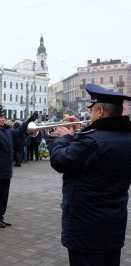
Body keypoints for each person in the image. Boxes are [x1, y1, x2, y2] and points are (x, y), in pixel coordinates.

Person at [50, 84, 131, 266]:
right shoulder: (125, 137)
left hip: (86, 227)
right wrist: (80, 132)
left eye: (92, 111)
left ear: (100, 111)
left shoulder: (91, 141)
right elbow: (100, 148)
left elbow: (60, 161)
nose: (91, 115)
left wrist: (64, 138)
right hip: (113, 222)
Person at [0, 104, 38, 228]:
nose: (4, 119)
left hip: (6, 169)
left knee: (3, 196)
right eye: (1, 117)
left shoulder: (7, 130)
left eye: (3, 117)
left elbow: (19, 131)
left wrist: (29, 120)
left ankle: (0, 216)